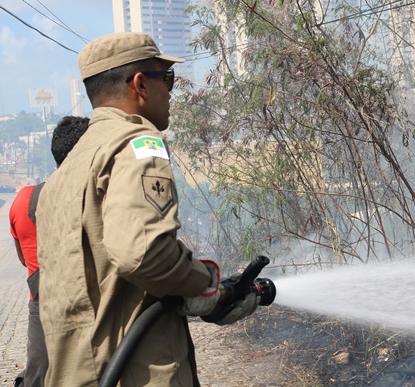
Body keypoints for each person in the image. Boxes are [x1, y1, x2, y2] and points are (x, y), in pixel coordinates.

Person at [35, 32, 260, 386]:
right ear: (140, 84)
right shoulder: (136, 145)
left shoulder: (67, 170)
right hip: (136, 372)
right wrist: (209, 286)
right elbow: (142, 254)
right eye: (167, 79)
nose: (171, 91)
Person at [9, 115, 90, 387]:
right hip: (92, 307)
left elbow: (24, 259)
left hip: (40, 306)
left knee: (38, 377)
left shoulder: (23, 200)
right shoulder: (94, 199)